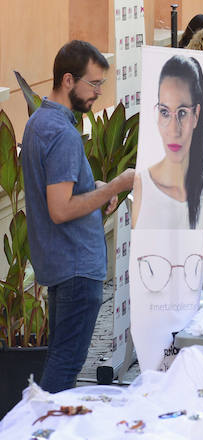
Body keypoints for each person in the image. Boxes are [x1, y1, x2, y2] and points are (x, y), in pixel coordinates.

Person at [20, 40, 135, 392]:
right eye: (94, 84)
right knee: (64, 369)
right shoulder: (61, 133)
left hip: (64, 264)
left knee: (61, 361)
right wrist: (114, 186)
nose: (99, 93)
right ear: (68, 80)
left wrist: (94, 187)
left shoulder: (40, 121)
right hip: (75, 266)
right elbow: (61, 209)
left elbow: (61, 193)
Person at [133, 55, 203, 230]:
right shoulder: (141, 185)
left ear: (196, 115)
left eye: (182, 113)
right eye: (165, 112)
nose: (174, 130)